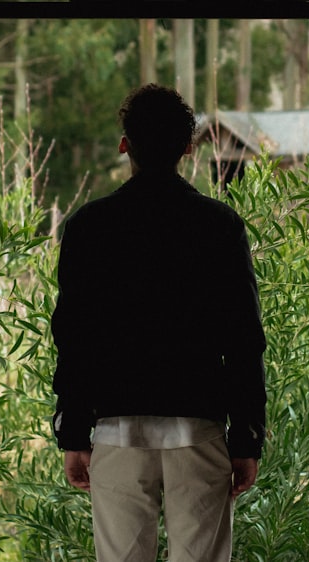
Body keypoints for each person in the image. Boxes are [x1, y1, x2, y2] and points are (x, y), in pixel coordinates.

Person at [49, 83, 267, 562]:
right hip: (200, 429)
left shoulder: (88, 227)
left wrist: (73, 432)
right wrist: (247, 437)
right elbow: (245, 339)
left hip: (115, 431)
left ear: (125, 144)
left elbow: (74, 337)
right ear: (189, 149)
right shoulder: (220, 225)